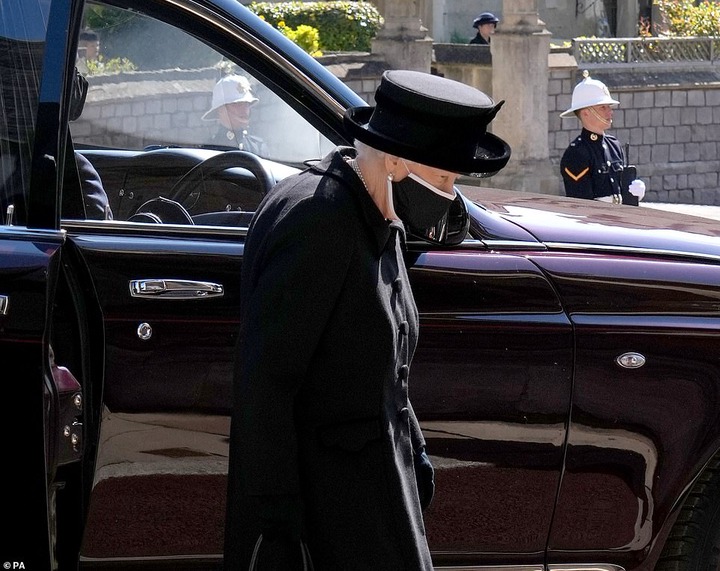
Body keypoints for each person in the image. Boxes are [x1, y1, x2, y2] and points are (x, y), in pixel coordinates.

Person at [223, 69, 511, 570]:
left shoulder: (379, 212)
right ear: (396, 160)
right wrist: (278, 528)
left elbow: (386, 366)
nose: (449, 192)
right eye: (443, 178)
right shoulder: (318, 220)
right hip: (327, 516)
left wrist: (415, 456)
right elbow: (265, 386)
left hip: (377, 495)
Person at [560, 70, 646, 205]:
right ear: (586, 112)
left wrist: (633, 193)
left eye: (609, 106)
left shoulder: (614, 145)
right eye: (603, 107)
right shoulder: (576, 153)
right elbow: (581, 204)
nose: (610, 111)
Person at [202, 74, 267, 155]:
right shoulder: (208, 150)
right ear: (220, 110)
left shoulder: (258, 147)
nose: (245, 110)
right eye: (237, 104)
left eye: (247, 104)